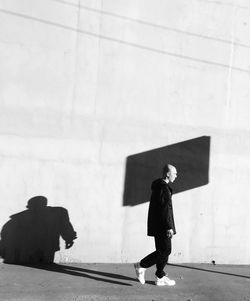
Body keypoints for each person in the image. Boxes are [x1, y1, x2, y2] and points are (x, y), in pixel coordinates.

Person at [134, 164, 177, 286]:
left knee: (162, 250)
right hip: (163, 225)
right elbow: (165, 209)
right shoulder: (163, 188)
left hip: (158, 224)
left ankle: (160, 276)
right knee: (165, 250)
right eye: (175, 173)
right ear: (168, 174)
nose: (176, 176)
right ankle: (141, 265)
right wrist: (169, 226)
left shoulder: (159, 186)